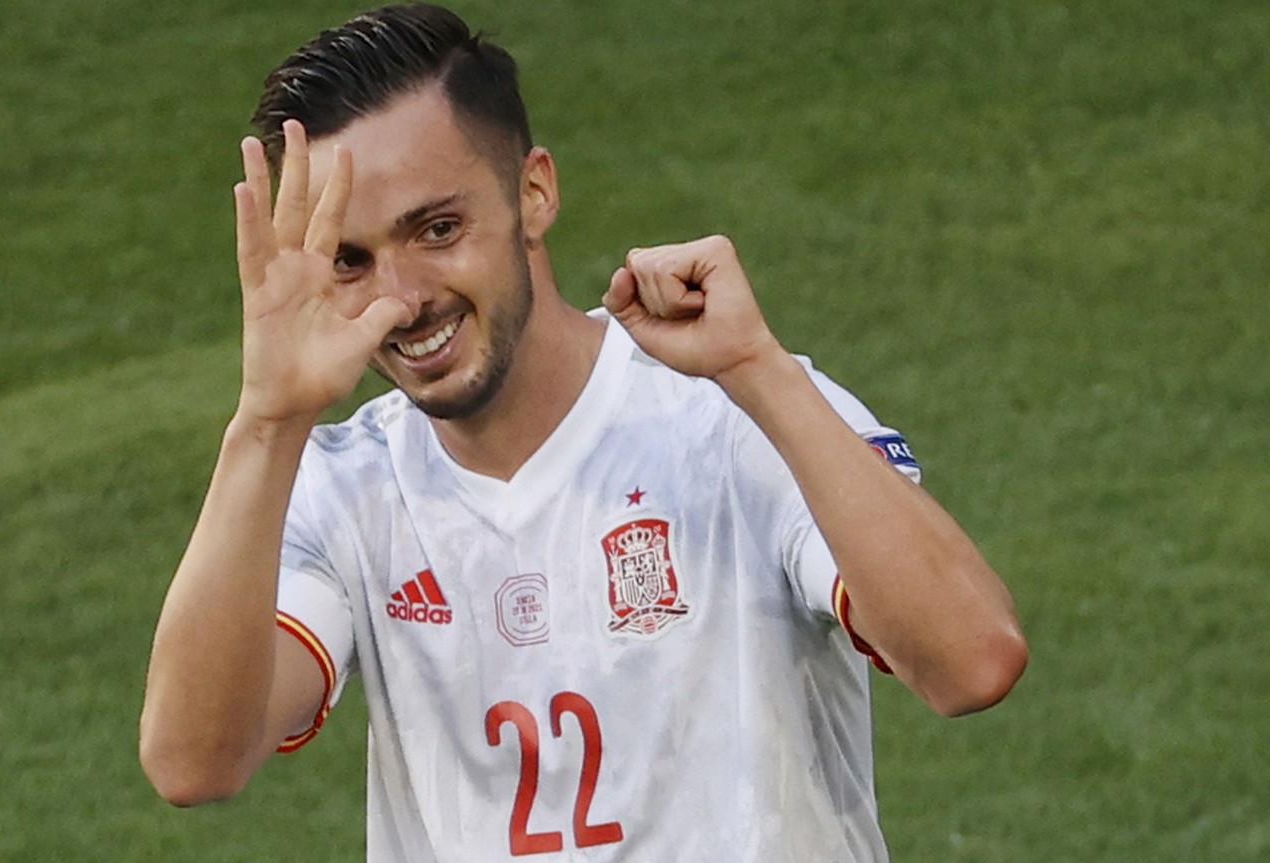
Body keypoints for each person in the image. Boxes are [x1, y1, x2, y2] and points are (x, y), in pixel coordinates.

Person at [139, 3, 1028, 860]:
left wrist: (759, 371)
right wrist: (268, 419)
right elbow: (194, 762)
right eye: (352, 260)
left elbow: (972, 662)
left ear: (534, 193)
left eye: (438, 228)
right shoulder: (344, 486)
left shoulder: (731, 416)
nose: (402, 297)